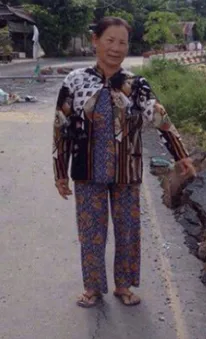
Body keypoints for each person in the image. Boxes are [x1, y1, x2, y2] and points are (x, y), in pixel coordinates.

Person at [52, 16, 196, 308]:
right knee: (91, 234)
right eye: (110, 41)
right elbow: (61, 127)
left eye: (122, 42)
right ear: (96, 41)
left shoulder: (136, 84)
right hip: (87, 171)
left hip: (126, 172)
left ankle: (124, 286)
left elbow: (159, 118)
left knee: (128, 232)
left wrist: (181, 156)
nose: (116, 48)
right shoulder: (75, 81)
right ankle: (93, 288)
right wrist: (60, 172)